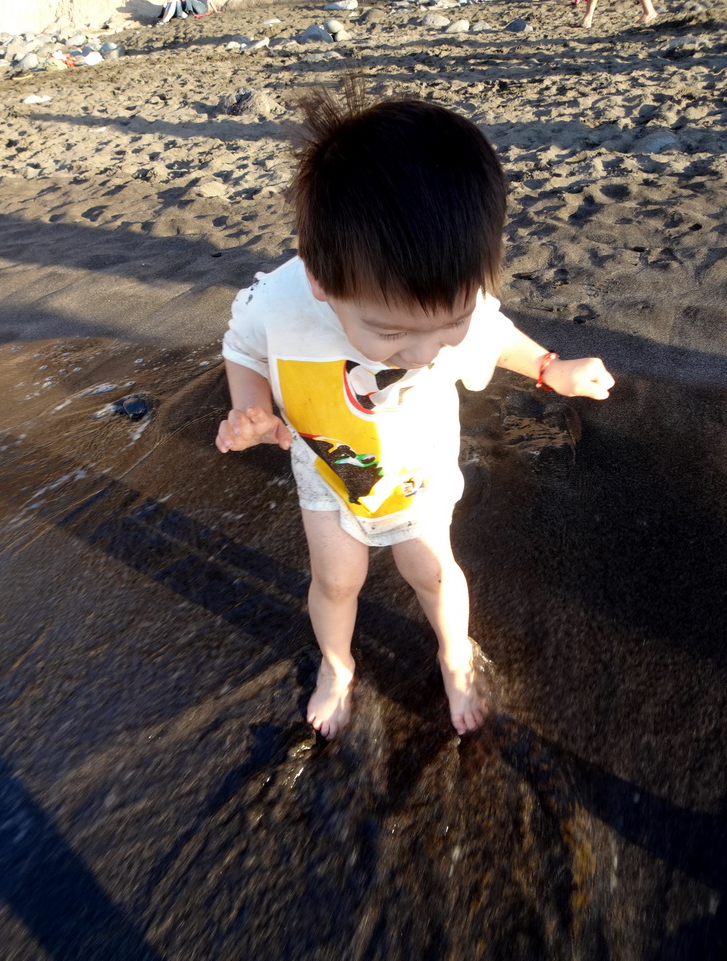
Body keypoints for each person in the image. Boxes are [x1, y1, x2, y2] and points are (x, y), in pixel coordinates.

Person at [216, 88, 615, 740]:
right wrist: (251, 408)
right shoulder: (279, 303)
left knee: (430, 568)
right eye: (395, 336)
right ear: (322, 278)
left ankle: (454, 655)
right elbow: (242, 348)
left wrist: (551, 368)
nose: (430, 353)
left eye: (449, 324)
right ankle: (338, 665)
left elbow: (492, 334)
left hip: (417, 467)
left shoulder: (455, 298)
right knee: (336, 579)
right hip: (328, 469)